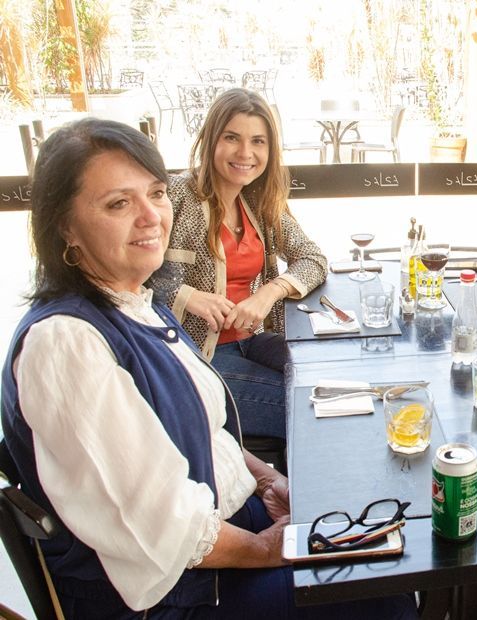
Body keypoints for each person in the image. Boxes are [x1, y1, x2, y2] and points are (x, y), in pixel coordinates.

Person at [0, 118, 415, 619]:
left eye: (156, 193)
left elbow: (205, 432)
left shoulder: (134, 303)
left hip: (225, 533)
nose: (151, 216)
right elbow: (162, 524)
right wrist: (266, 548)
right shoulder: (66, 343)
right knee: (381, 587)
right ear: (64, 225)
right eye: (118, 203)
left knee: (383, 544)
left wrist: (265, 480)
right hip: (180, 594)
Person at [151, 88, 327, 441]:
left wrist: (269, 292)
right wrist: (185, 296)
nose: (245, 153)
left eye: (258, 141)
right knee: (312, 410)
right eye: (232, 138)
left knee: (332, 382)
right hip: (195, 357)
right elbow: (127, 277)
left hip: (253, 340)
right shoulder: (175, 196)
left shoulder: (257, 202)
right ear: (212, 139)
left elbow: (314, 258)